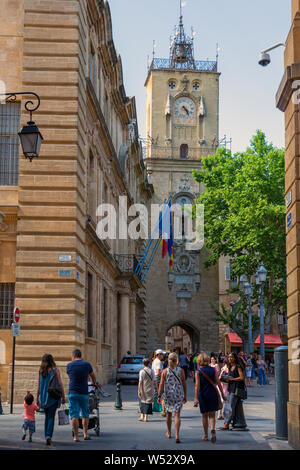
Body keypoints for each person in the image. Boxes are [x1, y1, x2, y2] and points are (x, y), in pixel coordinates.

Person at [194, 352, 226, 443]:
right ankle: (212, 429)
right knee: (212, 415)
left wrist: (196, 398)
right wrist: (222, 394)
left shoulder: (198, 371)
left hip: (203, 394)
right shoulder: (213, 370)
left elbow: (197, 386)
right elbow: (218, 382)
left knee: (204, 415)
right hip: (212, 393)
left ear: (199, 361)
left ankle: (205, 435)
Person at [66, 349, 97, 442]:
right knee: (85, 414)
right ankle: (85, 434)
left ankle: (75, 436)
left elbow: (71, 377)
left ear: (73, 356)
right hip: (84, 392)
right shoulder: (87, 364)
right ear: (80, 356)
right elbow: (93, 376)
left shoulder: (69, 365)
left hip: (73, 392)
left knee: (74, 414)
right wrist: (93, 383)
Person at [36, 353, 66, 446]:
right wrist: (63, 396)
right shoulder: (55, 370)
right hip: (53, 397)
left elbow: (39, 385)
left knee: (46, 417)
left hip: (44, 397)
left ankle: (46, 436)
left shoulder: (41, 371)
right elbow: (60, 384)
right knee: (51, 417)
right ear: (52, 360)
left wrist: (37, 397)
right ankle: (48, 436)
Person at [158, 352, 187, 443]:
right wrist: (185, 395)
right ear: (177, 360)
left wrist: (159, 395)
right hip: (178, 394)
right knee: (177, 415)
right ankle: (177, 435)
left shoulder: (165, 371)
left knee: (169, 414)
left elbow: (161, 384)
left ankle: (169, 432)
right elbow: (184, 383)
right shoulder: (181, 371)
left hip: (168, 394)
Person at [220, 352, 247, 430]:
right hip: (231, 388)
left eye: (231, 357)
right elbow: (232, 376)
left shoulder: (238, 367)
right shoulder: (230, 366)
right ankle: (226, 422)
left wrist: (231, 379)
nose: (229, 358)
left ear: (235, 358)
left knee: (231, 406)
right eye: (229, 357)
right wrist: (225, 377)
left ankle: (227, 424)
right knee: (228, 406)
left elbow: (241, 378)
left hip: (236, 389)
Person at [138, 358, 157, 422]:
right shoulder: (152, 371)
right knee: (149, 402)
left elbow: (140, 382)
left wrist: (139, 390)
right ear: (149, 363)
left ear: (143, 364)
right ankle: (146, 417)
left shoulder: (141, 371)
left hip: (143, 388)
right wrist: (156, 388)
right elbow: (154, 381)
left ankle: (142, 416)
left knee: (143, 401)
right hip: (150, 388)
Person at [152, 349, 165, 415]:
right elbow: (158, 372)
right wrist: (163, 376)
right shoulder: (158, 362)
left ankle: (155, 407)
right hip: (158, 378)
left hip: (154, 378)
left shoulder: (154, 361)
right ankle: (163, 410)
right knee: (161, 393)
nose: (163, 355)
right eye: (162, 354)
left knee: (156, 393)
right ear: (159, 355)